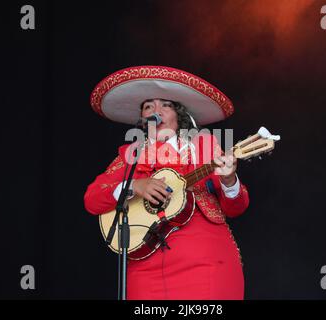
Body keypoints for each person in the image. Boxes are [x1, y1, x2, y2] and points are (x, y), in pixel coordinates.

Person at [84, 66, 250, 300]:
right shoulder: (130, 155)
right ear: (142, 119)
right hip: (144, 268)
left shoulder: (203, 146)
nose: (157, 111)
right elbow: (92, 199)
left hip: (206, 262)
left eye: (166, 105)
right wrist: (134, 186)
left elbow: (236, 208)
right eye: (148, 106)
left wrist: (229, 179)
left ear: (178, 114)